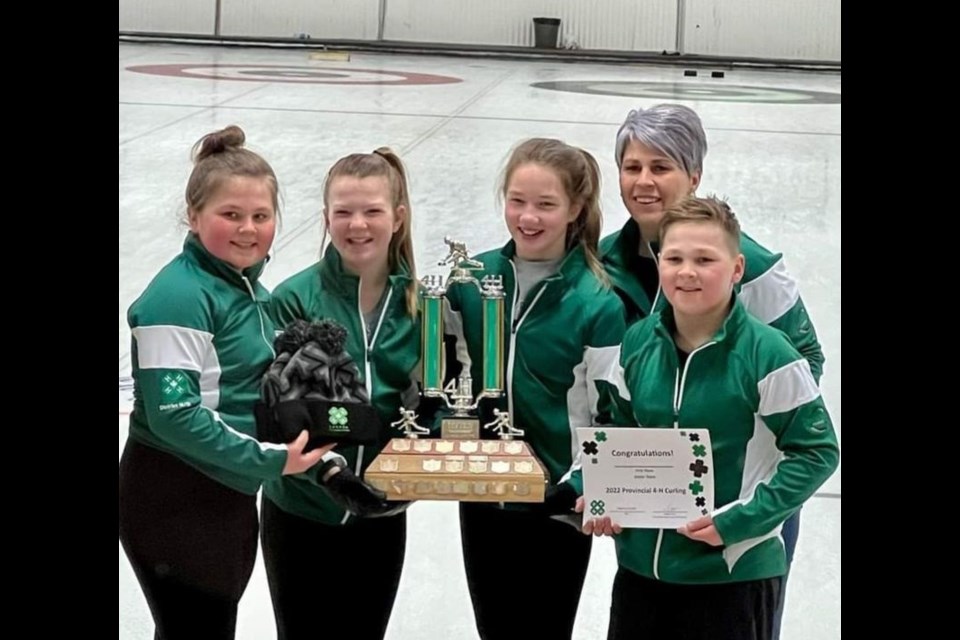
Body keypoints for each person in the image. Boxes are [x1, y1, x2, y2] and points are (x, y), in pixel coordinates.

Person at [599, 105, 824, 632]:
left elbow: (804, 363)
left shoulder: (754, 266)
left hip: (741, 509)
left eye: (662, 166)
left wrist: (742, 463)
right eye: (632, 167)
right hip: (652, 521)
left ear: (694, 175)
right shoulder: (604, 260)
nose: (645, 181)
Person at [118, 125, 329, 640]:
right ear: (193, 216)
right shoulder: (180, 297)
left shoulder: (242, 288)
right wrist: (272, 460)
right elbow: (175, 414)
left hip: (224, 491)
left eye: (261, 216)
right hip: (176, 493)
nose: (248, 229)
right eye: (230, 215)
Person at [445, 138, 626, 639]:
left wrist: (581, 485)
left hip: (555, 507)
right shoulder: (470, 279)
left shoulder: (597, 302)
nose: (528, 217)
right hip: (483, 497)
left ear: (575, 209)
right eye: (517, 201)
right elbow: (443, 383)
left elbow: (609, 414)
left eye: (546, 204)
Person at [260, 148, 422, 640]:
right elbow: (278, 410)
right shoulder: (295, 298)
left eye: (372, 211)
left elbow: (426, 400)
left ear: (397, 217)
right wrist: (330, 476)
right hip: (301, 510)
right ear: (326, 218)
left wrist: (422, 463)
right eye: (343, 212)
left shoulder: (419, 304)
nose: (357, 225)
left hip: (382, 510)